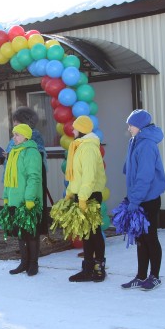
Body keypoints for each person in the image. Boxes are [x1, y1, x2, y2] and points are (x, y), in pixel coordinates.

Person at [121, 110, 165, 291]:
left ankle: (154, 276)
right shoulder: (135, 142)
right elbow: (130, 170)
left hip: (147, 200)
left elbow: (145, 176)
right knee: (141, 239)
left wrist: (135, 200)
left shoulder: (146, 144)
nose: (128, 127)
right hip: (137, 198)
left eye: (131, 124)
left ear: (139, 126)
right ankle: (140, 276)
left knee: (150, 238)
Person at [64, 116, 107, 282]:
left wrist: (82, 197)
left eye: (75, 128)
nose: (73, 131)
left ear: (81, 129)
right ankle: (88, 268)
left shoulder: (88, 148)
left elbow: (89, 177)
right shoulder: (79, 146)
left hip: (89, 195)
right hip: (82, 194)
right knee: (86, 233)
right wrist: (70, 192)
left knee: (94, 233)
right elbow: (76, 176)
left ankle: (98, 269)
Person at [0, 107, 49, 236]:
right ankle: (23, 241)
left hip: (27, 181)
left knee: (29, 215)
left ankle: (30, 243)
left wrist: (13, 156)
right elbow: (11, 154)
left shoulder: (34, 135)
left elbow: (37, 155)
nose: (14, 124)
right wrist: (2, 158)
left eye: (17, 122)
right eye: (14, 121)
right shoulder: (16, 136)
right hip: (15, 181)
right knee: (17, 214)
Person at [1, 123, 43, 276]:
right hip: (14, 199)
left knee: (31, 233)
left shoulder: (31, 153)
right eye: (14, 134)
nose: (14, 137)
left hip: (27, 200)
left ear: (26, 136)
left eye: (17, 134)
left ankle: (33, 263)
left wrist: (30, 198)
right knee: (20, 233)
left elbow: (34, 177)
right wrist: (6, 196)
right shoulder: (13, 152)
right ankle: (24, 262)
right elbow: (8, 177)